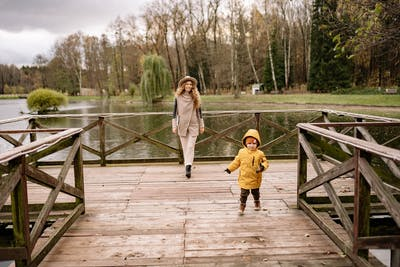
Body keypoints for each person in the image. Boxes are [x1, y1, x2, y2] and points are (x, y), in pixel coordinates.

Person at [225, 129, 269, 215]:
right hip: (244, 177)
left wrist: (262, 167)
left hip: (255, 177)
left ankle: (257, 202)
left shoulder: (260, 153)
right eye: (249, 143)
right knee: (244, 194)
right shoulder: (242, 152)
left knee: (255, 192)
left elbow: (265, 162)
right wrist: (230, 169)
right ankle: (242, 206)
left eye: (254, 143)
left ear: (257, 144)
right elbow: (236, 162)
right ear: (245, 143)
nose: (251, 145)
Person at [172, 76, 205, 178]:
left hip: (194, 125)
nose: (189, 86)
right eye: (187, 84)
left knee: (190, 147)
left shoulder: (196, 96)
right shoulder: (178, 97)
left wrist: (202, 125)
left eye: (191, 84)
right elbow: (174, 113)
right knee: (186, 148)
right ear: (183, 85)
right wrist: (174, 125)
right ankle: (188, 165)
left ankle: (188, 168)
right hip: (182, 125)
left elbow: (199, 112)